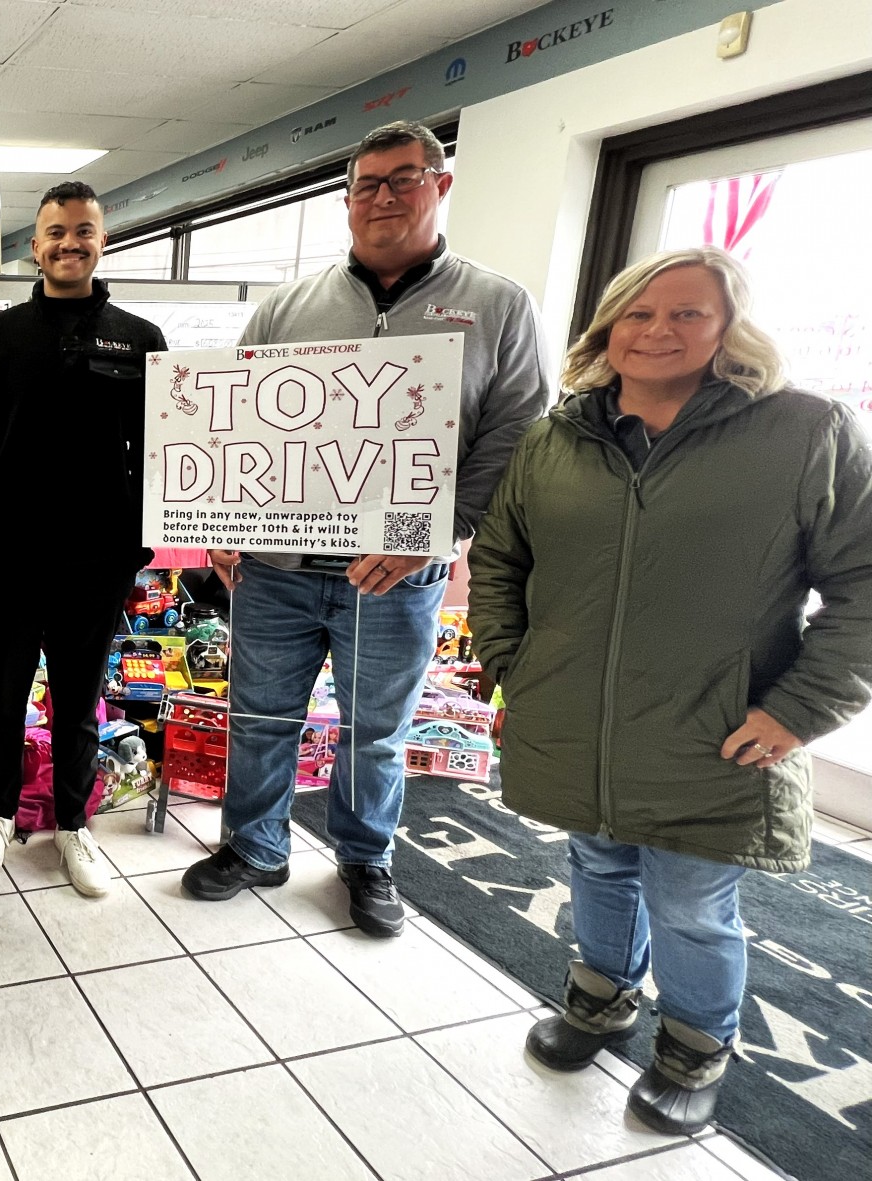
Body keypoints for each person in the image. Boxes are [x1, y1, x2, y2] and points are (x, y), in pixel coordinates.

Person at [468, 247, 872, 1133]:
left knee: (691, 902)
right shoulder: (555, 437)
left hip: (716, 729)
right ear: (609, 325)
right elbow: (501, 557)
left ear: (730, 327)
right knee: (597, 865)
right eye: (638, 313)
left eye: (687, 313)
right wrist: (509, 661)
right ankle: (599, 1000)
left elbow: (864, 584)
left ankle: (693, 1046)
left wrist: (798, 710)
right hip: (575, 717)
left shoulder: (803, 430)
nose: (657, 331)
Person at [180, 121, 549, 937]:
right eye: (367, 184)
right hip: (274, 566)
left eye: (403, 179)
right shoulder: (288, 306)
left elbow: (515, 432)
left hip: (395, 571)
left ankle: (365, 857)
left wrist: (442, 530)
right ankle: (254, 844)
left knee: (375, 729)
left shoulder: (497, 306)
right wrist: (219, 520)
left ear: (440, 186)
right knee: (260, 713)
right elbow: (232, 420)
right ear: (347, 199)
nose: (383, 197)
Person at [0, 182, 167, 899]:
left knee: (80, 698)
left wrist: (146, 544)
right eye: (56, 232)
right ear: (34, 247)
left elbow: (166, 451)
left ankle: (74, 822)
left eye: (85, 230)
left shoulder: (139, 340)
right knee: (4, 696)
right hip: (10, 556)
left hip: (98, 560)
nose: (71, 242)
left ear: (104, 241)